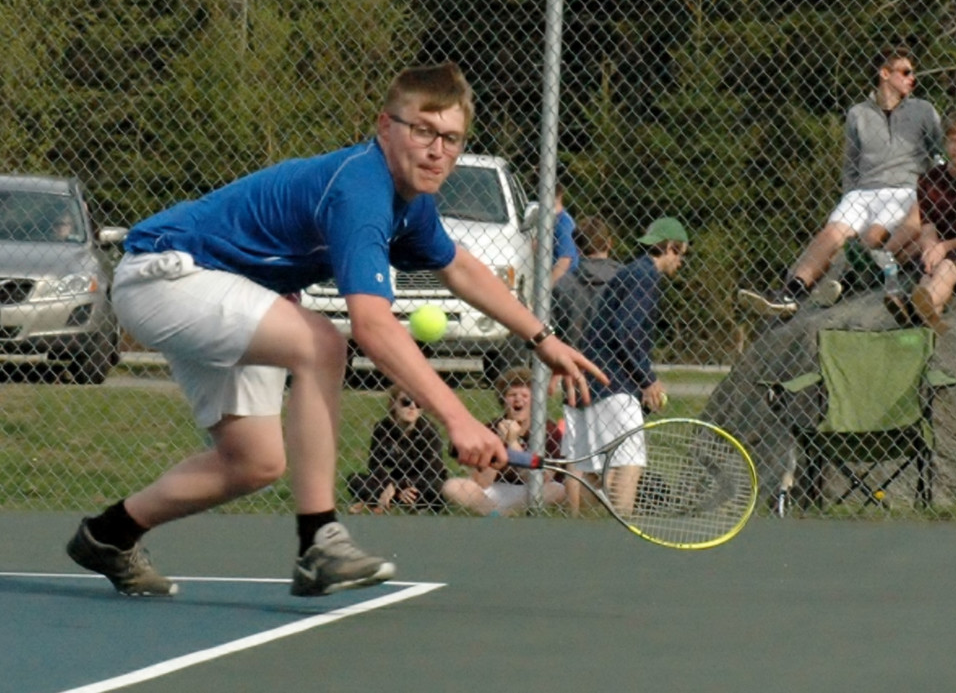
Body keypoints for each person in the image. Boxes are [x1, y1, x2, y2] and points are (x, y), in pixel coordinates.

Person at [66, 62, 606, 598]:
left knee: (253, 463)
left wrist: (544, 339)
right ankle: (319, 543)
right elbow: (371, 326)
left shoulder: (411, 203)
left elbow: (459, 266)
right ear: (385, 127)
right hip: (167, 274)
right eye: (423, 131)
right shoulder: (360, 189)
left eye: (452, 138)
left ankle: (108, 536)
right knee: (323, 344)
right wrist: (460, 419)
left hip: (233, 291)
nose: (438, 150)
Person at [738, 46, 942, 317]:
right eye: (905, 72)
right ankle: (792, 291)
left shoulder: (923, 110)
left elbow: (939, 154)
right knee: (832, 232)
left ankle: (844, 281)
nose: (912, 78)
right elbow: (851, 165)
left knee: (874, 233)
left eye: (912, 73)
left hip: (903, 191)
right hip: (863, 191)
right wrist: (850, 199)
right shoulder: (858, 114)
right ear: (884, 73)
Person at [563, 217, 686, 517]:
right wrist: (648, 380)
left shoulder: (631, 272)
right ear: (670, 247)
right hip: (614, 383)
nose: (681, 262)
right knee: (628, 462)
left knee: (587, 467)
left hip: (591, 379)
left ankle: (584, 536)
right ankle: (622, 534)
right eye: (681, 253)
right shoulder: (645, 276)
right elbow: (627, 331)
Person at [880, 112, 956, 333]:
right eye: (952, 140)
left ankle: (912, 307)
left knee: (945, 267)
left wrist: (943, 247)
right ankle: (930, 313)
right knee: (928, 272)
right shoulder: (930, 179)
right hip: (938, 247)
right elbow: (927, 225)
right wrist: (930, 248)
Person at [441, 367, 566, 515]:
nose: (518, 399)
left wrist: (513, 443)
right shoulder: (491, 429)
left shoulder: (549, 431)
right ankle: (494, 512)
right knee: (452, 486)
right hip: (494, 490)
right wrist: (498, 443)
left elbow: (542, 479)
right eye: (512, 395)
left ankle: (505, 513)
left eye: (525, 395)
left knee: (557, 490)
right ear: (504, 400)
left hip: (528, 491)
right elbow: (481, 481)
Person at [346, 386, 447, 514]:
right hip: (392, 481)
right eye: (406, 402)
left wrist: (397, 486)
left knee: (436, 487)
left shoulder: (429, 431)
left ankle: (377, 500)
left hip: (420, 482)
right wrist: (393, 486)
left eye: (418, 404)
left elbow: (433, 471)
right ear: (393, 404)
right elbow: (375, 466)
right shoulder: (382, 429)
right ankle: (397, 500)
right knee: (354, 479)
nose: (412, 407)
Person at [551, 215, 623, 348]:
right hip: (616, 359)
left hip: (574, 358)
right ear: (609, 243)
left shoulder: (563, 285)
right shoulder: (625, 279)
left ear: (577, 248)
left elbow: (553, 329)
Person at [551, 181, 579, 285]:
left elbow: (565, 260)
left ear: (559, 196)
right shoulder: (552, 220)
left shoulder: (563, 223)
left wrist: (546, 289)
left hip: (565, 283)